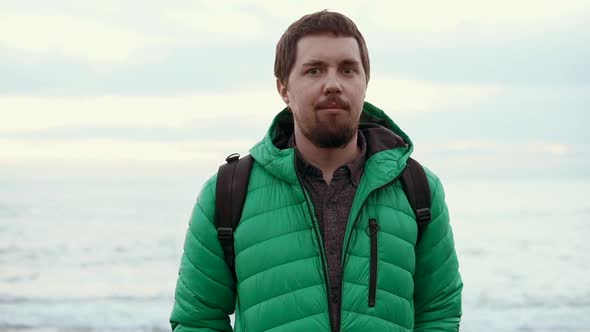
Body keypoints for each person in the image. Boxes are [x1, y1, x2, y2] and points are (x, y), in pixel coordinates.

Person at [170, 10, 462, 332]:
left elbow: (439, 312)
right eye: (314, 70)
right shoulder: (226, 193)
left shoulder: (417, 189)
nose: (333, 84)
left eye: (348, 69)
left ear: (365, 83)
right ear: (284, 89)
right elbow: (197, 320)